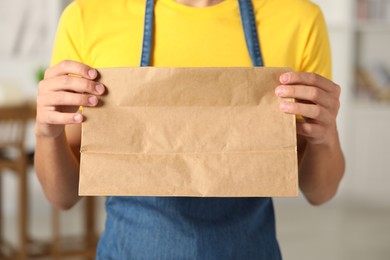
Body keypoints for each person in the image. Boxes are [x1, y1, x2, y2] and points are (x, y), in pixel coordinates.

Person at [35, 0, 345, 259]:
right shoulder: (89, 17)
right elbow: (63, 197)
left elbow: (320, 192)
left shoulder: (298, 20)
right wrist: (47, 133)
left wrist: (325, 136)